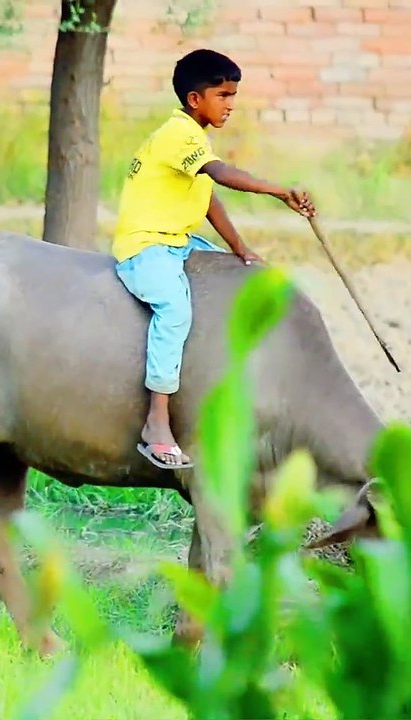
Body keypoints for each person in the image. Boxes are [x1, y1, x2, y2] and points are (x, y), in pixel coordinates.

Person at [111, 48, 316, 470]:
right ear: (194, 99)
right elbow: (220, 175)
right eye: (223, 95)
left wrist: (240, 249)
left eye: (233, 95)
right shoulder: (177, 134)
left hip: (178, 241)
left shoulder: (195, 140)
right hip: (146, 247)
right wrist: (279, 191)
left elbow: (208, 199)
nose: (231, 105)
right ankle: (157, 423)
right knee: (174, 310)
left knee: (229, 276)